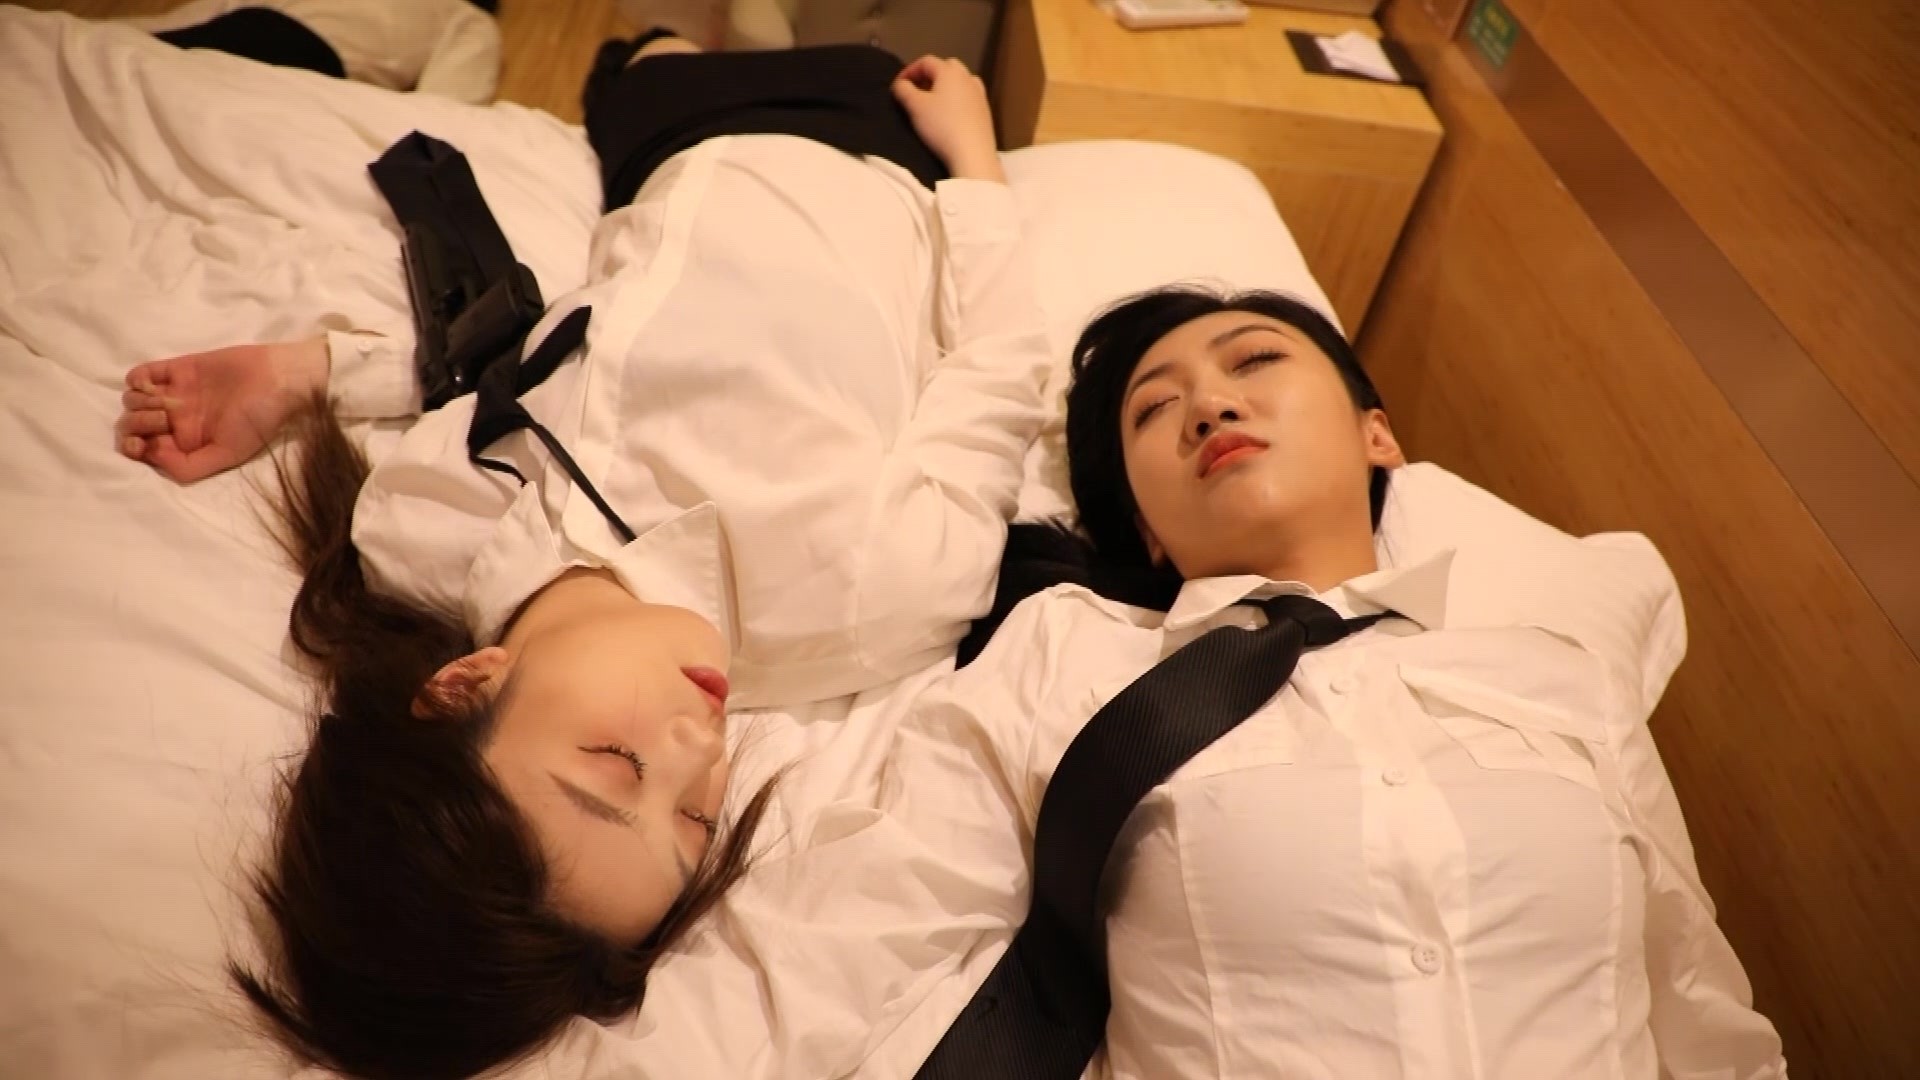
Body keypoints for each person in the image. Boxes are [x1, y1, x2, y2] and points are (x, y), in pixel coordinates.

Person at [113, 34, 1050, 1080]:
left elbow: (512, 361)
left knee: (648, 47)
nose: (699, 748)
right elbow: (1001, 368)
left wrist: (313, 373)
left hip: (663, 143)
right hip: (862, 139)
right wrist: (977, 162)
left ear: (465, 684)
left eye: (616, 764)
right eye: (695, 818)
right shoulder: (873, 590)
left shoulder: (416, 526)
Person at [909, 285, 1790, 1078]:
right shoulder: (1075, 660)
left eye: (1255, 359)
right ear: (1145, 529)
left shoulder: (1563, 681)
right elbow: (896, 935)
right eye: (1155, 408)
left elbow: (1703, 1013)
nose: (1210, 405)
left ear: (1378, 435)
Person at [123, 0, 501, 103]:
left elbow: (443, 103)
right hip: (267, 38)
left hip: (301, 53)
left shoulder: (462, 14)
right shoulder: (463, 17)